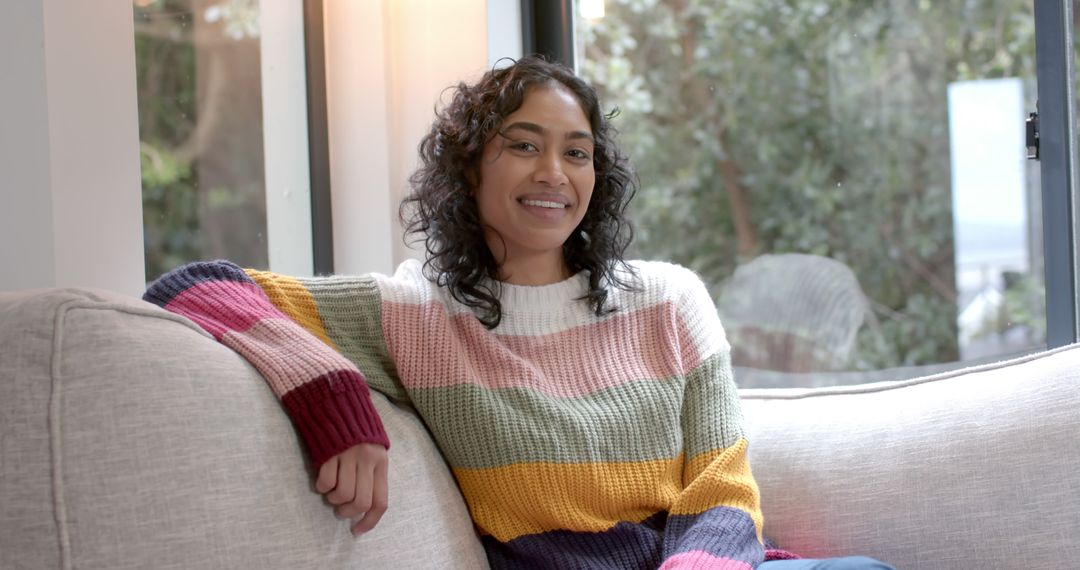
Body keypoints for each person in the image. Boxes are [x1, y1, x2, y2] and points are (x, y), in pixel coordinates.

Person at [144, 56, 893, 570]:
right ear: (470, 166)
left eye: (577, 153)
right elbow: (193, 286)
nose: (553, 174)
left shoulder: (669, 298)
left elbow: (721, 485)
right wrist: (333, 397)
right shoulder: (414, 314)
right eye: (523, 145)